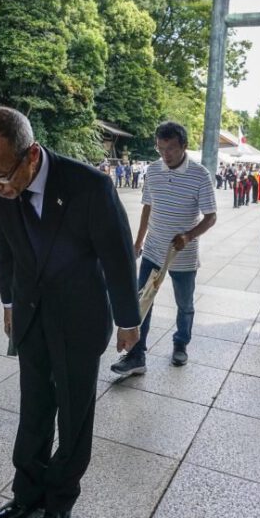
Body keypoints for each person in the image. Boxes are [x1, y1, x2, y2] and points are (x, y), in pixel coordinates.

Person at [0, 106, 140, 518]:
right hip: (30, 311)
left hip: (80, 316)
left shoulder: (89, 187)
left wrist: (128, 320)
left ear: (31, 156)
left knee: (74, 410)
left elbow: (119, 258)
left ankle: (61, 502)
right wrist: (8, 301)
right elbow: (1, 249)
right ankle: (27, 494)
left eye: (2, 175)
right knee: (34, 405)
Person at [111, 122, 217, 376]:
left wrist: (189, 235)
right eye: (160, 148)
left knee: (184, 303)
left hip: (182, 255)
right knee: (142, 302)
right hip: (153, 249)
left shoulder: (200, 175)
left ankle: (181, 343)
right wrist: (138, 241)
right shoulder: (154, 171)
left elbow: (211, 216)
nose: (165, 154)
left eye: (170, 148)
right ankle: (137, 356)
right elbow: (148, 206)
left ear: (184, 146)